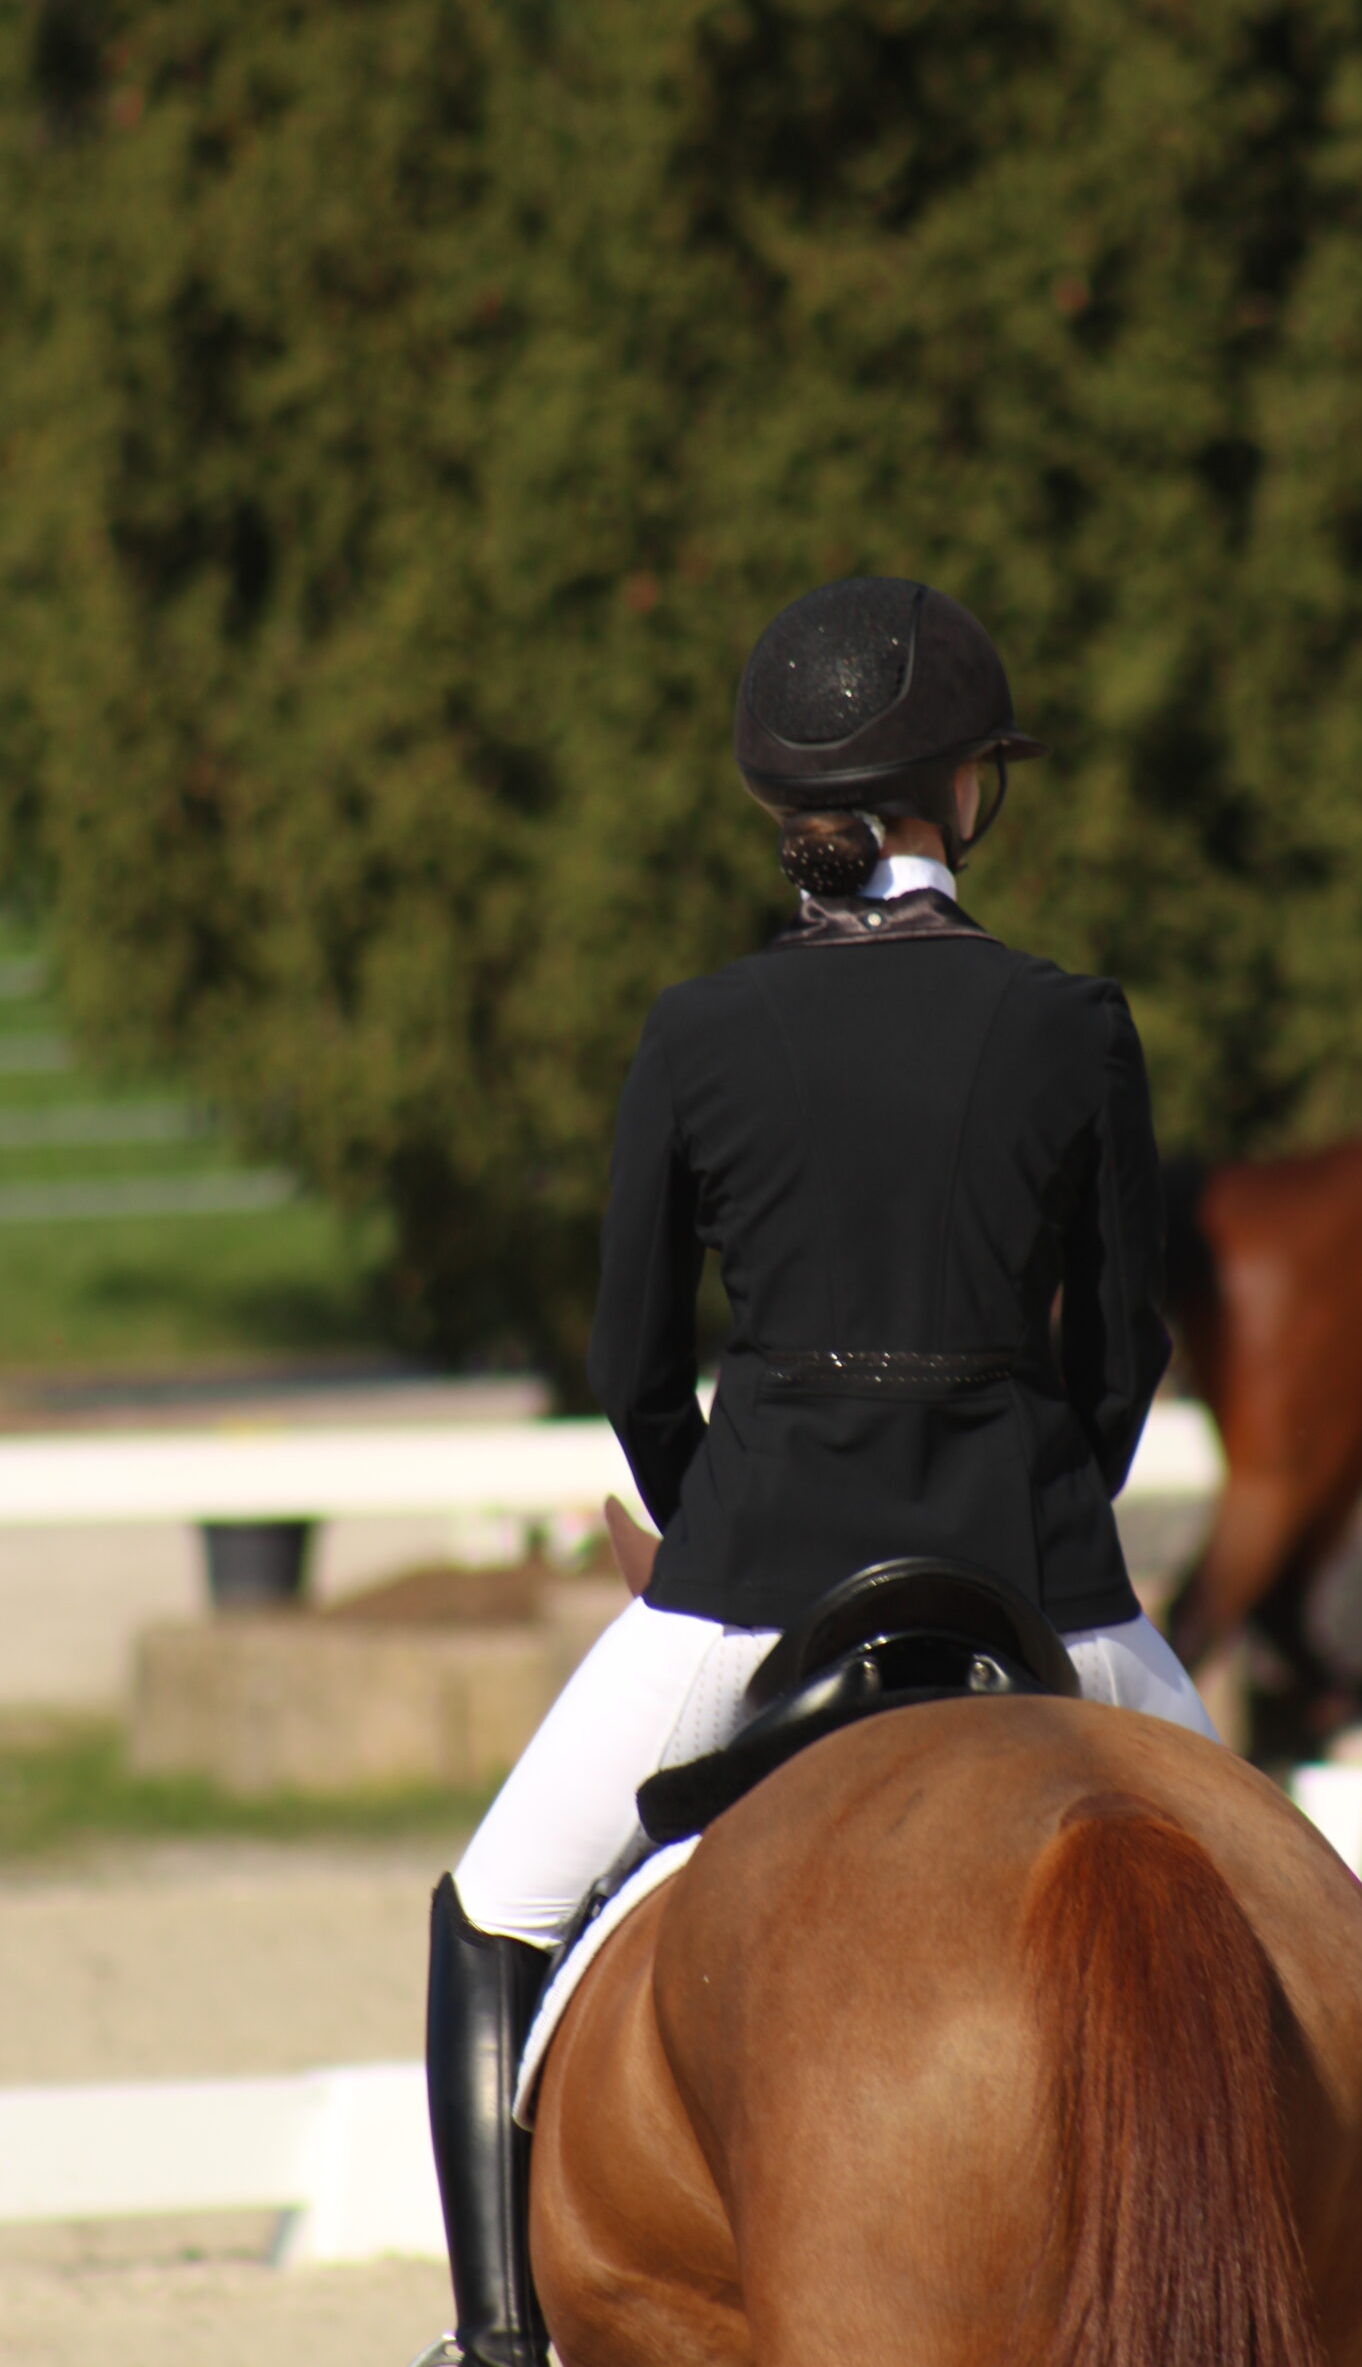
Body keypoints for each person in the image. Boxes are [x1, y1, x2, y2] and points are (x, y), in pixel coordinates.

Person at [410, 577, 1215, 2367]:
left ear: (784, 806)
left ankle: (493, 2344)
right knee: (1264, 1902)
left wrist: (708, 1521)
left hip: (753, 1572)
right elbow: (1125, 1351)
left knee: (494, 1908)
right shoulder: (1071, 1019)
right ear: (960, 794)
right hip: (1040, 1574)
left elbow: (632, 1364)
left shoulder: (697, 1030)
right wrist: (1043, 1502)